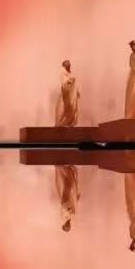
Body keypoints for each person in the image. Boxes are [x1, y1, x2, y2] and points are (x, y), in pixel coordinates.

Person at [54, 60, 80, 232]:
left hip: (70, 92)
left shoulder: (69, 74)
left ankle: (69, 123)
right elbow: (65, 85)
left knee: (72, 109)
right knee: (68, 108)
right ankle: (65, 123)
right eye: (67, 64)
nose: (69, 66)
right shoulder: (63, 74)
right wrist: (71, 83)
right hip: (67, 92)